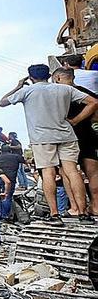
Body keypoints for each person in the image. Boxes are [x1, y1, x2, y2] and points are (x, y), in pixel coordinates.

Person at [0, 64, 98, 226]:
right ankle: (82, 213)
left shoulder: (26, 91)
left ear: (30, 78)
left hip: (42, 138)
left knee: (48, 173)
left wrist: (17, 86)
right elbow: (93, 102)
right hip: (66, 135)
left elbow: (2, 102)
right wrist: (75, 120)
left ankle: (54, 214)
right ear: (50, 75)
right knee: (72, 171)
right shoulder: (64, 89)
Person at [52, 67, 98, 218]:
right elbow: (96, 111)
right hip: (88, 134)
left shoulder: (55, 94)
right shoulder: (84, 92)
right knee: (93, 173)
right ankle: (95, 207)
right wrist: (82, 120)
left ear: (58, 78)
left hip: (66, 137)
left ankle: (76, 208)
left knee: (68, 172)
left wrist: (73, 121)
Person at [0, 145, 25, 219]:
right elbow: (24, 161)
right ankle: (5, 215)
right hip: (11, 179)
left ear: (1, 151)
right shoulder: (15, 156)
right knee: (7, 197)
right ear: (10, 150)